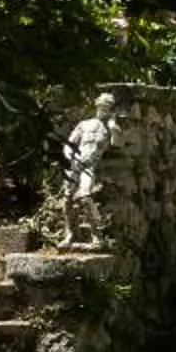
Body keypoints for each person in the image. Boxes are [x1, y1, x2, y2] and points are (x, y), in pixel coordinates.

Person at [59, 92, 118, 249]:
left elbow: (116, 144)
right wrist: (70, 157)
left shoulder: (110, 128)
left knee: (85, 196)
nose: (104, 110)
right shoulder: (84, 124)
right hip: (75, 163)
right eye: (102, 107)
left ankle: (97, 235)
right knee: (67, 198)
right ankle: (69, 233)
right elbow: (69, 144)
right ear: (97, 106)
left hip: (90, 167)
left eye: (108, 108)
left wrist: (113, 127)